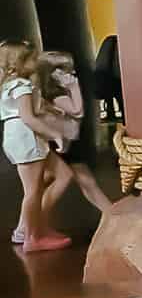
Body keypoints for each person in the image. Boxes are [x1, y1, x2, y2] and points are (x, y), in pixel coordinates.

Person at [1, 40, 71, 252]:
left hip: (20, 136)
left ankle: (31, 227)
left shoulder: (10, 84)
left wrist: (51, 109)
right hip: (27, 136)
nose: (36, 61)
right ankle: (32, 236)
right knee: (32, 190)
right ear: (19, 63)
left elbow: (31, 108)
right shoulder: (22, 85)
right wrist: (55, 134)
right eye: (32, 58)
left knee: (62, 174)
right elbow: (28, 117)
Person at [33, 50, 113, 216]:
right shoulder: (56, 95)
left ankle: (112, 213)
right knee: (85, 182)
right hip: (63, 145)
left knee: (85, 182)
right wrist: (74, 86)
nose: (71, 72)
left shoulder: (53, 94)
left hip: (65, 143)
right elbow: (78, 111)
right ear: (51, 73)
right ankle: (32, 222)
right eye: (64, 69)